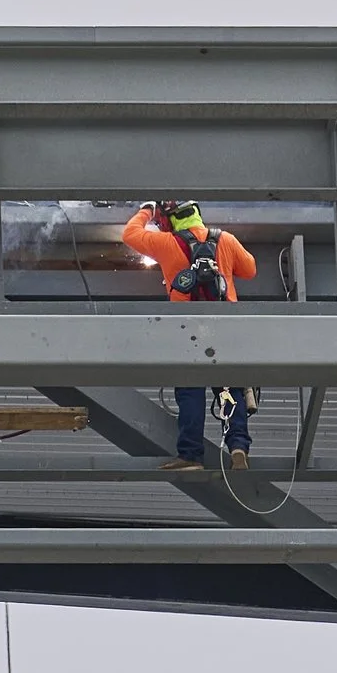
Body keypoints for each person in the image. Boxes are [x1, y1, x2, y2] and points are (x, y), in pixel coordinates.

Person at [121, 200, 259, 471]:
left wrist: (146, 209)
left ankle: (191, 456)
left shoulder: (167, 242)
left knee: (190, 391)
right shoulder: (225, 240)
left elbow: (129, 235)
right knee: (229, 390)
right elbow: (250, 270)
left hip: (188, 330)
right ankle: (238, 447)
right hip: (224, 327)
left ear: (170, 220)